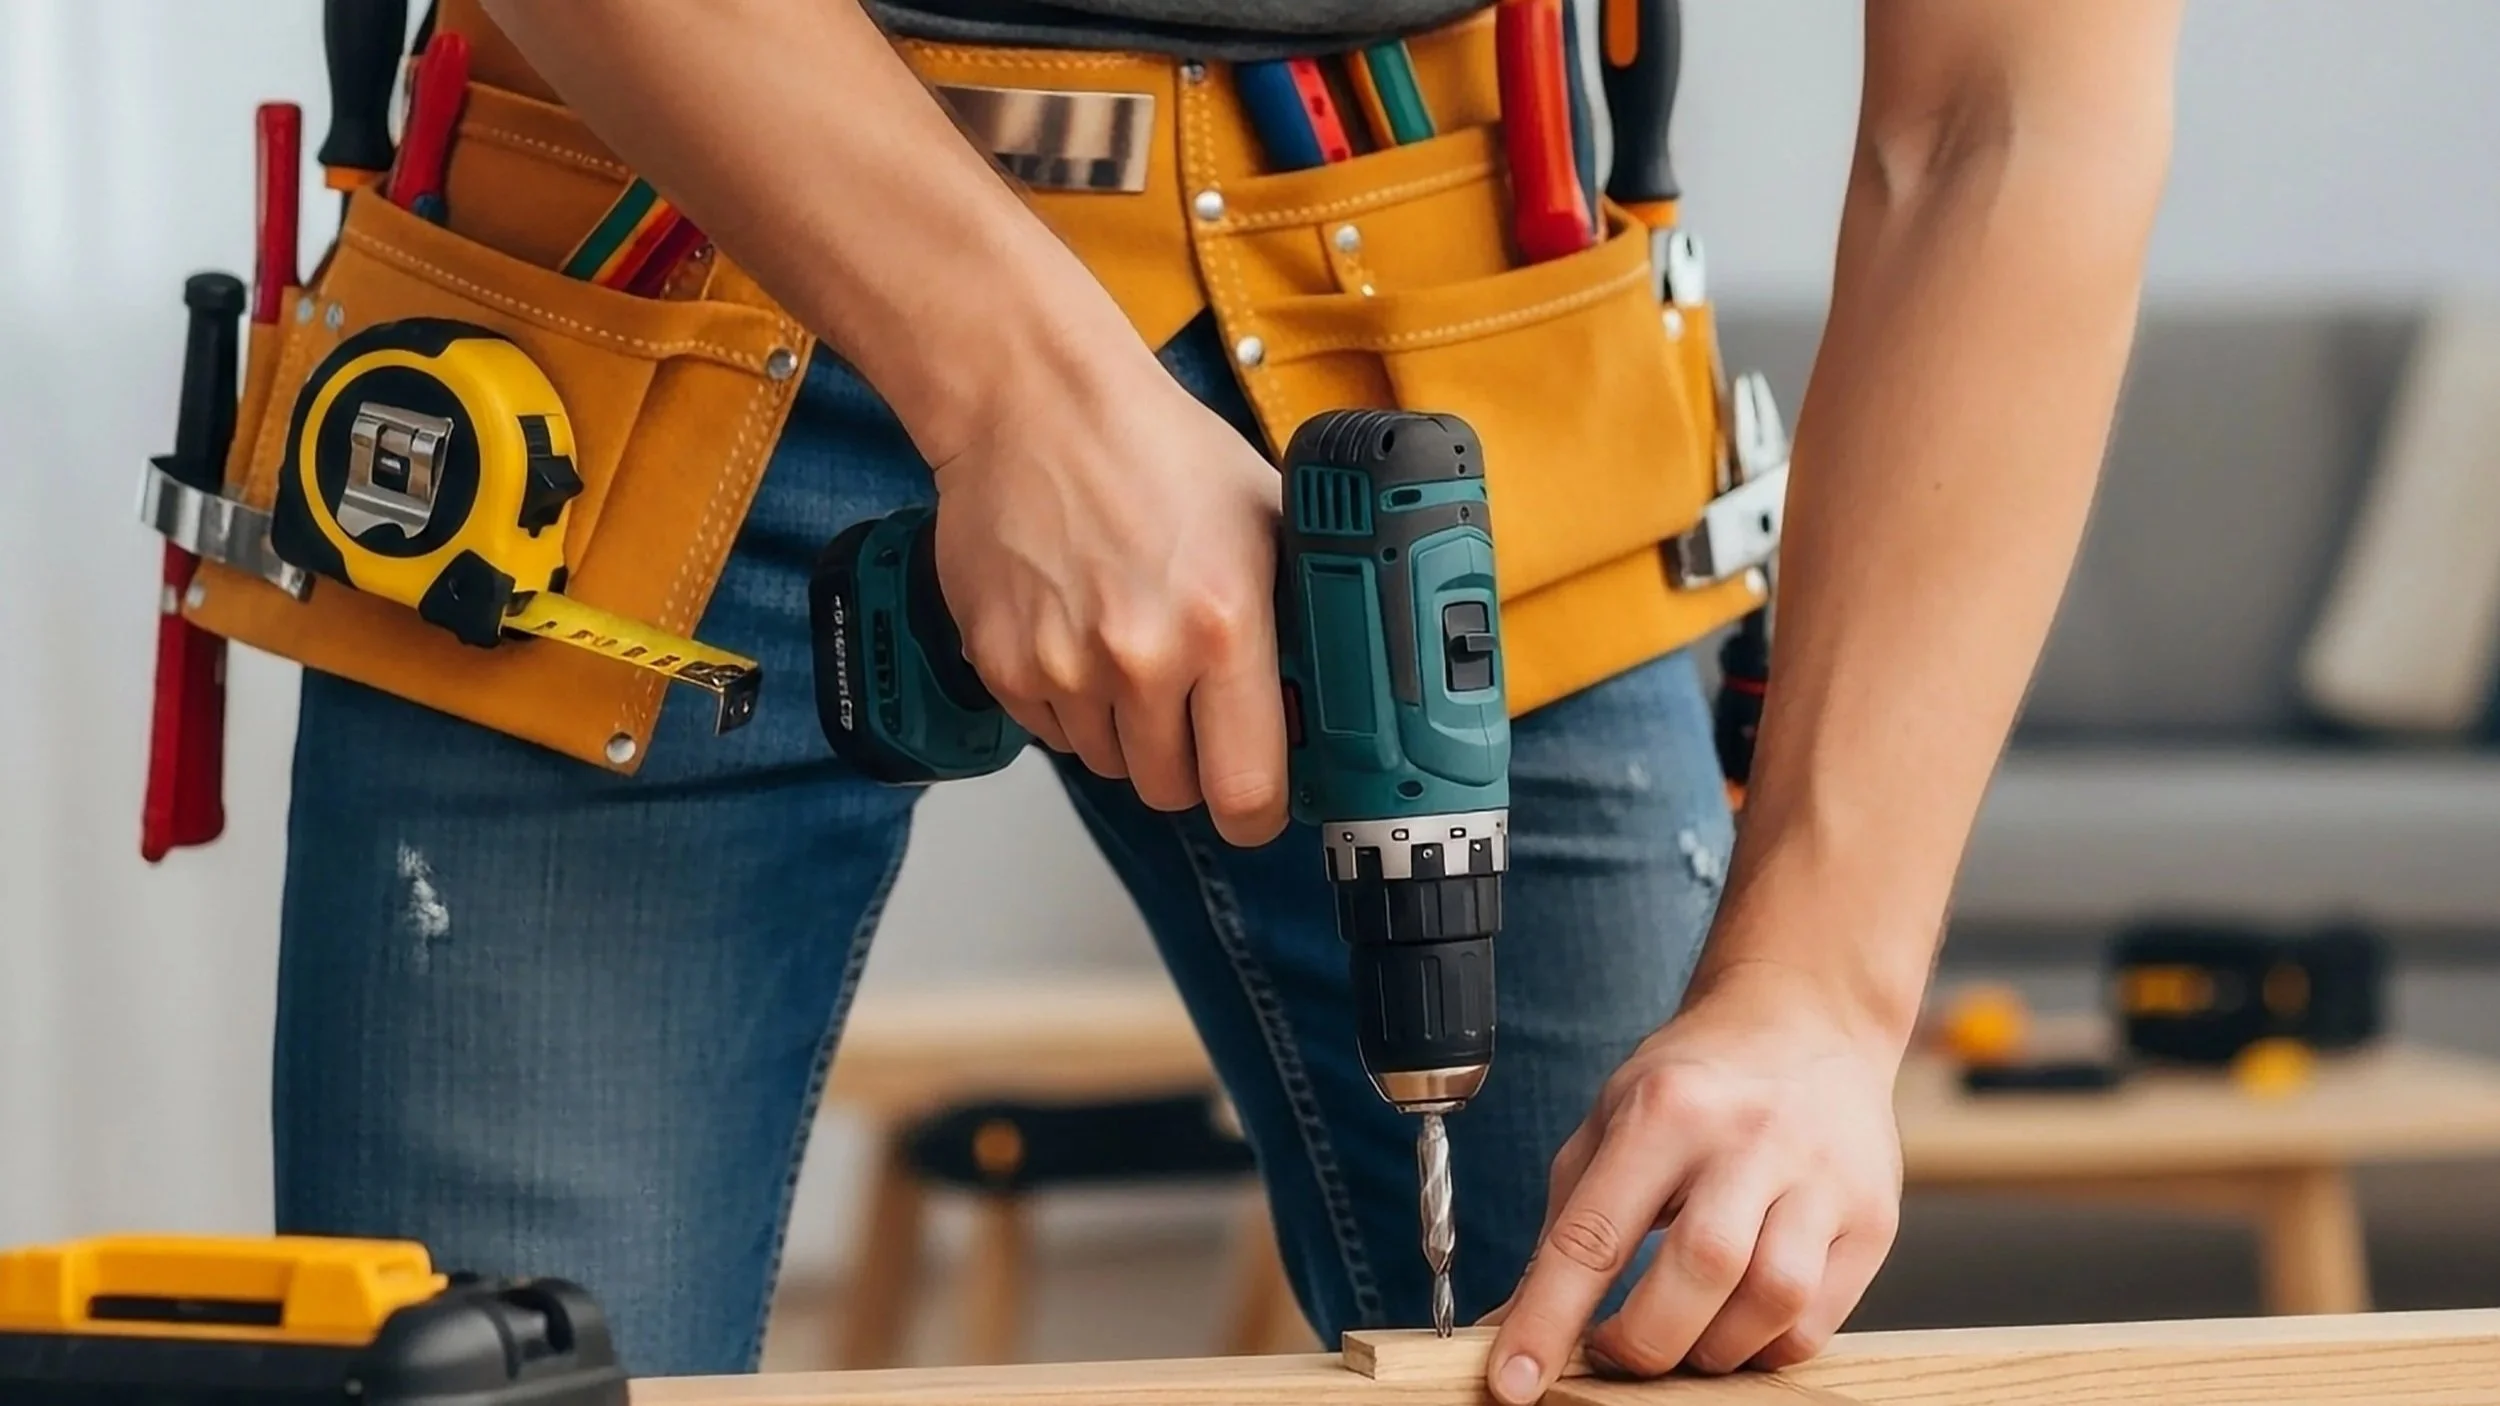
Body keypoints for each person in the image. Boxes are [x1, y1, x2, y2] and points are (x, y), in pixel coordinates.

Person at [270, 1, 2185, 1399]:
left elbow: (2010, 115)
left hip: (1438, 294)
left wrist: (1819, 994)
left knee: (1666, 1315)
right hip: (676, 191)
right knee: (500, 1372)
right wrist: (1021, 384)